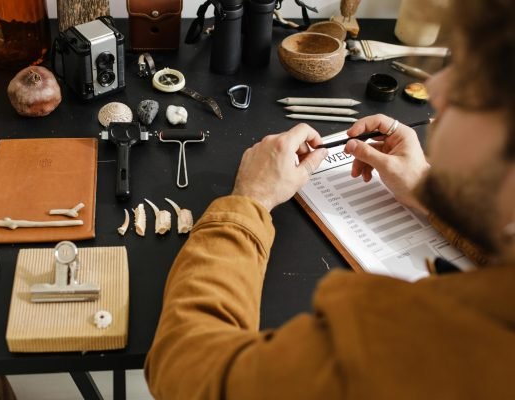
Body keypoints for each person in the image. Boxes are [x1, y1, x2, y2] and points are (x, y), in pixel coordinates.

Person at [145, 0, 515, 398]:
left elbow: (191, 369)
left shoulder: (405, 344)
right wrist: (431, 192)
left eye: (477, 75)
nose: (439, 89)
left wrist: (248, 201)